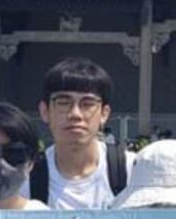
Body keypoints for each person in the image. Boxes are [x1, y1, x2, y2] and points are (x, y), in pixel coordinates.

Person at [32, 58, 126, 207]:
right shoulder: (27, 178)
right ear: (44, 111)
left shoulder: (130, 171)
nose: (75, 114)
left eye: (87, 104)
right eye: (63, 102)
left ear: (104, 114)